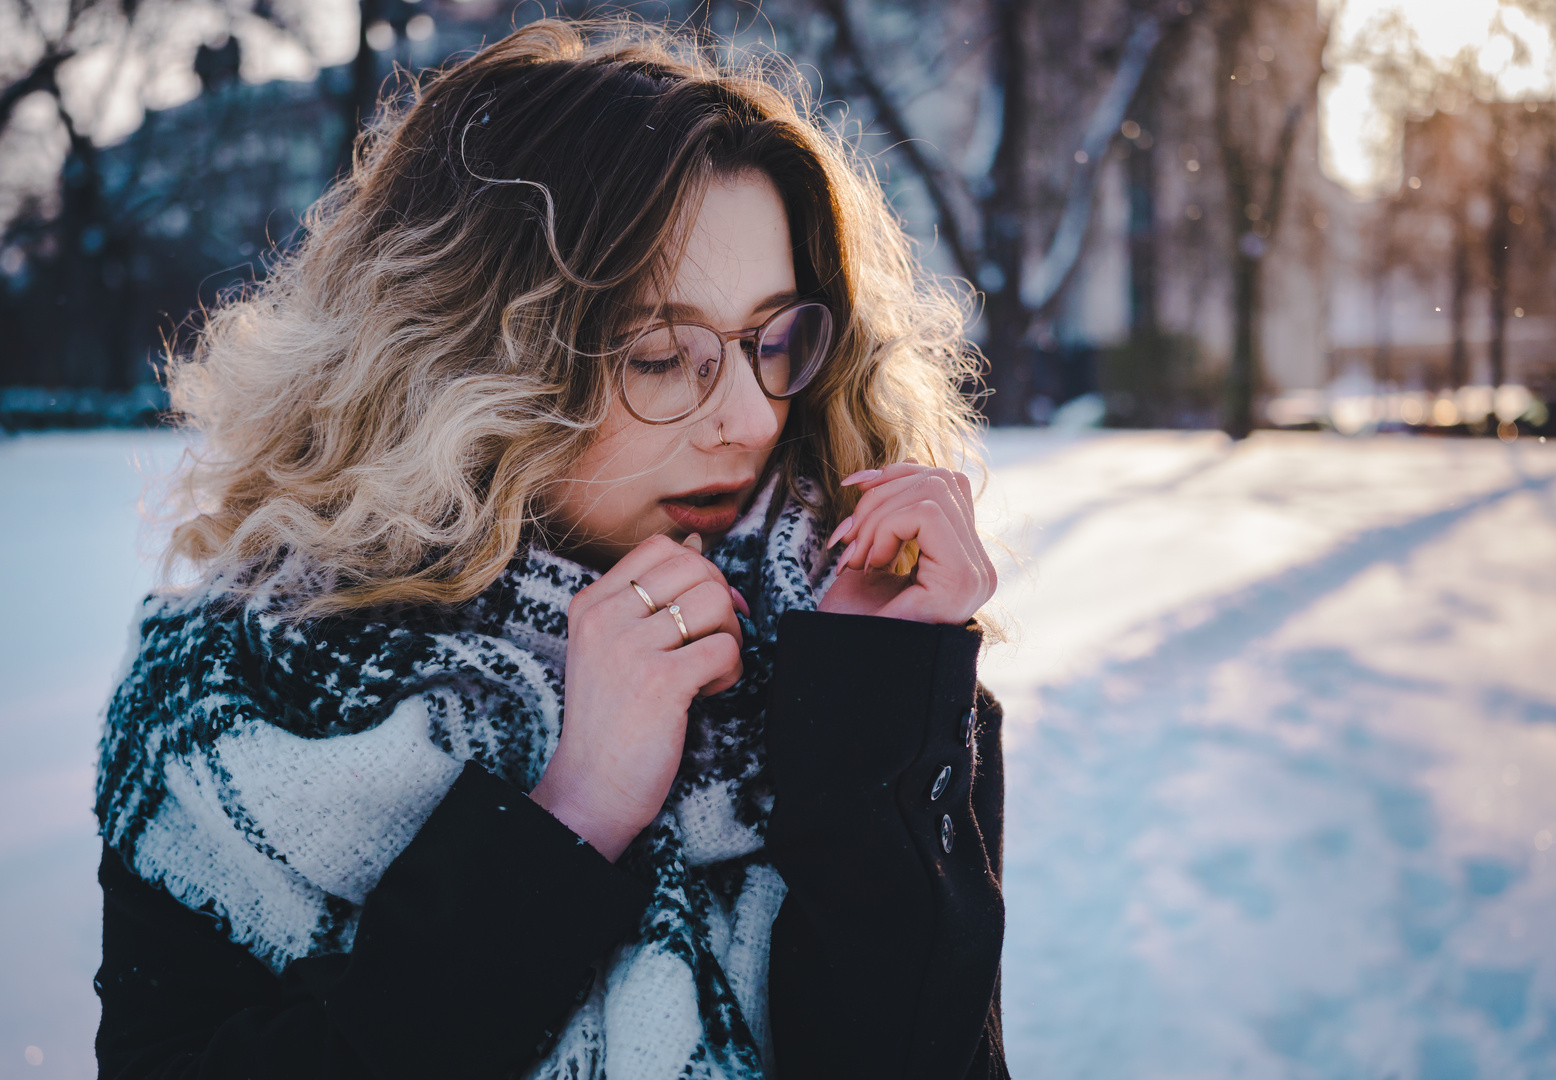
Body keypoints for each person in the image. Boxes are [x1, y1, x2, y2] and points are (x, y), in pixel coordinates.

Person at [93, 16, 1006, 1080]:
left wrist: (865, 722)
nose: (751, 420)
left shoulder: (855, 632)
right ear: (466, 364)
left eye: (773, 342)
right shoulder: (231, 695)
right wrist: (572, 817)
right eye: (664, 355)